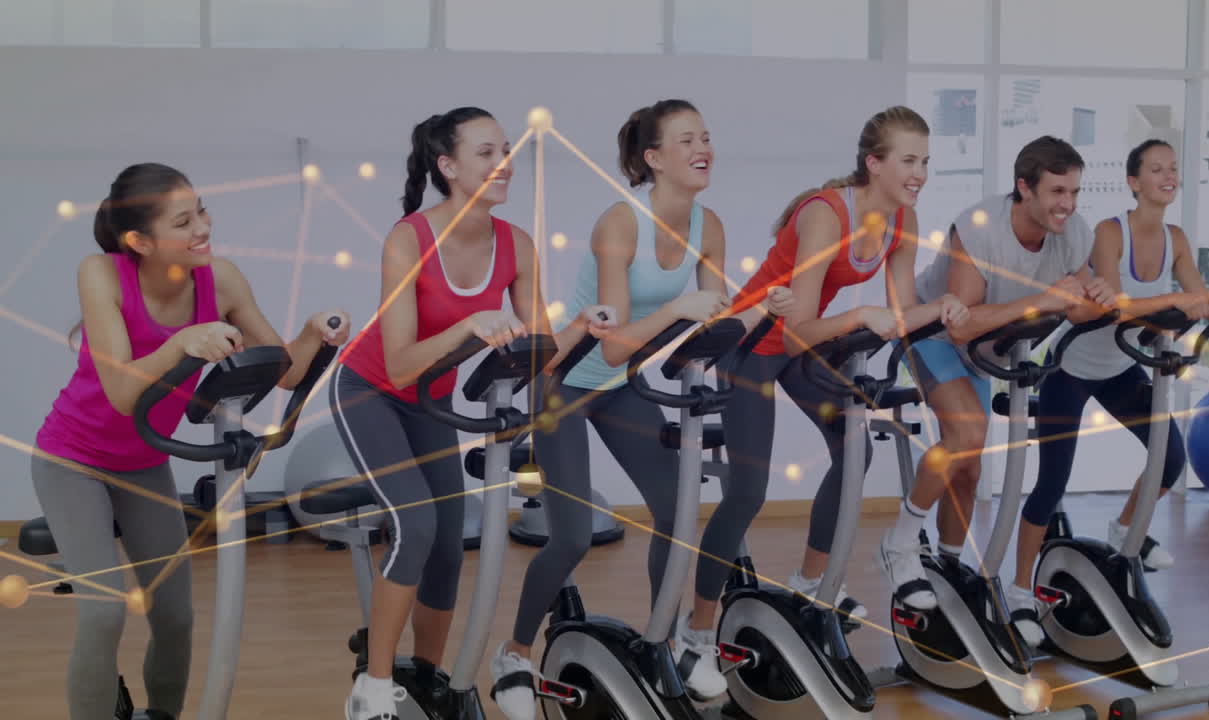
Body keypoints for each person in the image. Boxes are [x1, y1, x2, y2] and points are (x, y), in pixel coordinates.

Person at [489, 98, 792, 720]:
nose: (702, 148)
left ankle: (666, 639)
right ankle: (514, 655)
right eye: (686, 141)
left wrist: (762, 308)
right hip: (568, 381)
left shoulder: (711, 226)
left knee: (677, 516)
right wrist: (680, 310)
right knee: (571, 535)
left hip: (624, 384)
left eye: (705, 136)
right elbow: (616, 336)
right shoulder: (620, 224)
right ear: (653, 159)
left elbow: (716, 317)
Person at [32, 162, 350, 720]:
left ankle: (162, 713)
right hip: (71, 460)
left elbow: (284, 370)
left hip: (143, 463)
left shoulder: (220, 279)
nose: (202, 226)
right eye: (183, 221)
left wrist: (311, 334)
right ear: (140, 241)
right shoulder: (101, 274)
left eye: (201, 210)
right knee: (105, 612)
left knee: (176, 615)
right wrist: (185, 341)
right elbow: (123, 390)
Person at [684, 105, 968, 641]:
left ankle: (811, 581)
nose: (920, 174)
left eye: (926, 162)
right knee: (748, 493)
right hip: (750, 344)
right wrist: (860, 315)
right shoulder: (825, 214)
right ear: (874, 163)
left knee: (854, 448)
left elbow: (901, 312)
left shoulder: (903, 220)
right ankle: (696, 630)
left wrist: (945, 306)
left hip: (795, 346)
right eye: (908, 160)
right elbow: (797, 331)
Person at [331, 107, 565, 720]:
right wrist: (470, 324)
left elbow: (541, 346)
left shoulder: (517, 244)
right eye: (487, 152)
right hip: (371, 390)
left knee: (446, 544)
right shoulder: (408, 239)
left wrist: (577, 340)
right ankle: (374, 687)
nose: (503, 162)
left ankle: (428, 682)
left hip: (432, 400)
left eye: (506, 149)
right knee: (416, 525)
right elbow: (402, 362)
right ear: (448, 165)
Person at [1006, 139, 1209, 646]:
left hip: (1121, 368)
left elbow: (1197, 301)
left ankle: (1123, 531)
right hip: (1073, 368)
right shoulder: (1111, 232)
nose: (1168, 176)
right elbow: (1112, 305)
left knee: (1169, 457)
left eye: (1173, 168)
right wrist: (1176, 300)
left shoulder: (1176, 238)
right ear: (1133, 181)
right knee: (1051, 482)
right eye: (1156, 169)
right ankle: (1020, 591)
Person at [881, 135, 1117, 612]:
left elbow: (1075, 310)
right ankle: (899, 543)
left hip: (991, 345)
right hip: (934, 332)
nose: (1067, 205)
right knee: (966, 431)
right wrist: (1046, 298)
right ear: (1024, 188)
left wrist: (1098, 299)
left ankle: (947, 566)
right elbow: (962, 324)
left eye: (1073, 192)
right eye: (1057, 192)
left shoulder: (1074, 233)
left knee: (969, 467)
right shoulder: (980, 227)